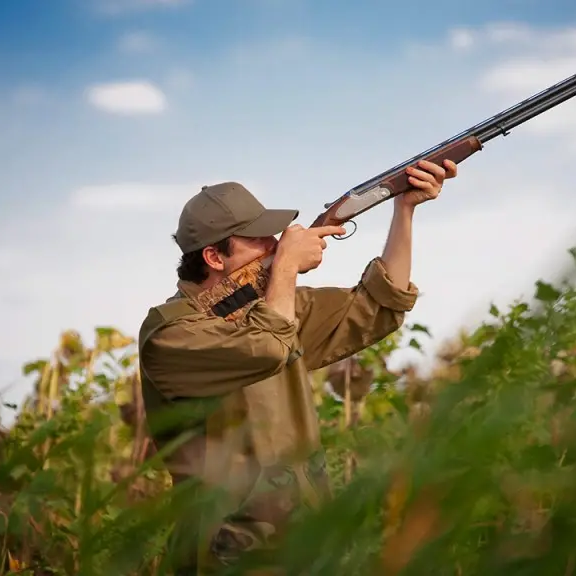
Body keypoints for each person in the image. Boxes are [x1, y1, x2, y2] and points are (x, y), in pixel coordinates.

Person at [136, 158, 458, 573]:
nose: (276, 244)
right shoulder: (171, 335)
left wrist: (404, 209)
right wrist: (287, 266)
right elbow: (268, 344)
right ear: (215, 257)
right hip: (226, 554)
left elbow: (377, 306)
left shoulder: (274, 309)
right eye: (259, 239)